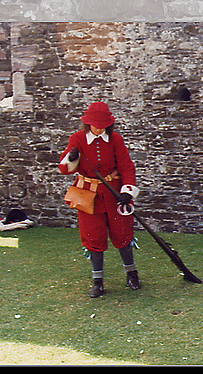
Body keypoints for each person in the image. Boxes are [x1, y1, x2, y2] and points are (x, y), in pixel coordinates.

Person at [59, 102, 141, 297]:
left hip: (114, 194)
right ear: (88, 123)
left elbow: (126, 166)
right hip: (88, 196)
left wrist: (127, 191)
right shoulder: (77, 139)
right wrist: (72, 157)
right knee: (93, 237)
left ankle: (132, 274)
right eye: (96, 124)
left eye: (103, 125)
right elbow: (64, 169)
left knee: (123, 234)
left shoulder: (116, 140)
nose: (99, 128)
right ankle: (98, 281)